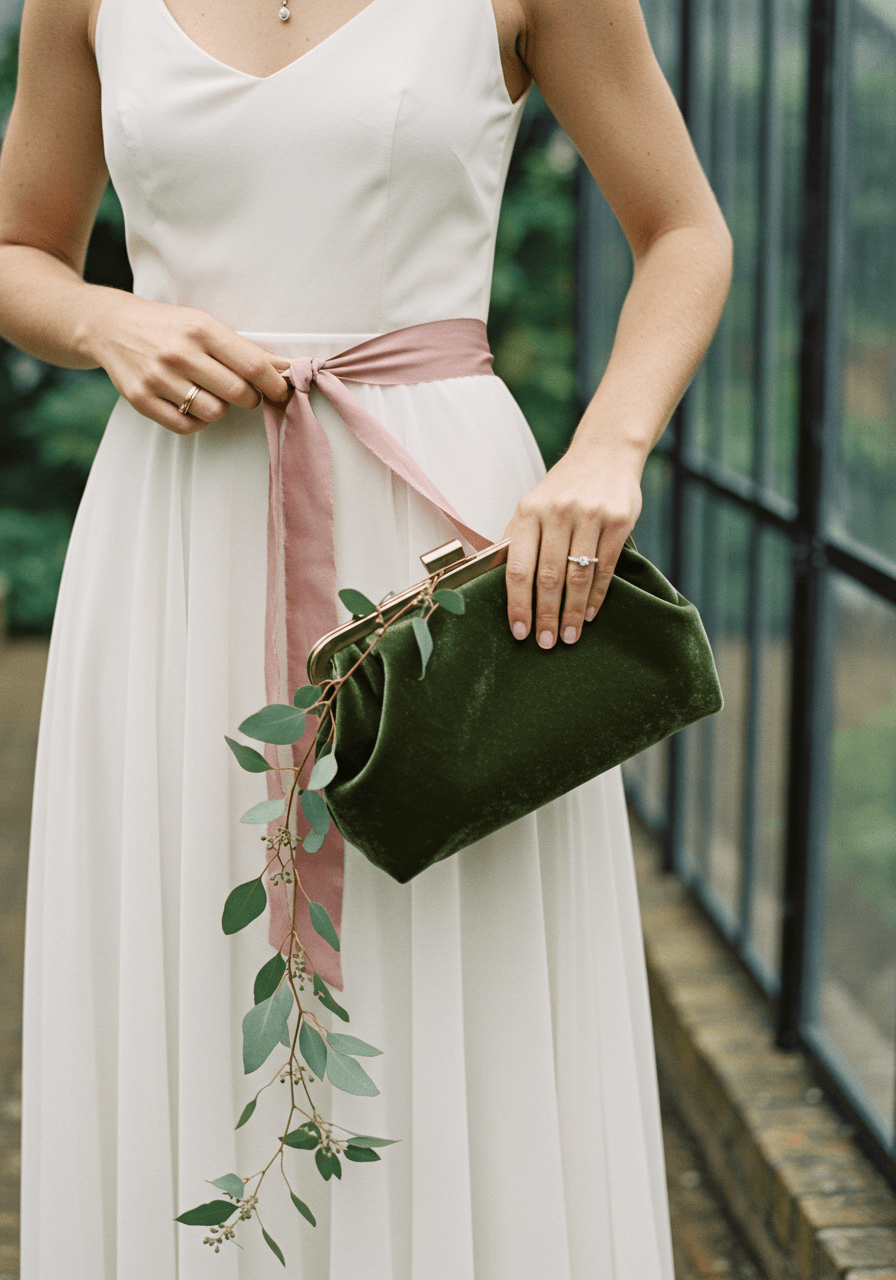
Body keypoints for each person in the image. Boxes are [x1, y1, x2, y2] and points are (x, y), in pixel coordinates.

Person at [0, 0, 731, 1271]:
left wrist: (605, 451)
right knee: (191, 947)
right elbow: (18, 246)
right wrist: (107, 321)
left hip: (430, 549)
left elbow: (683, 233)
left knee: (456, 953)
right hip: (174, 535)